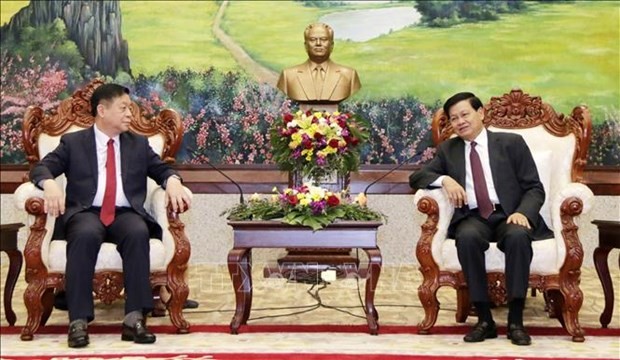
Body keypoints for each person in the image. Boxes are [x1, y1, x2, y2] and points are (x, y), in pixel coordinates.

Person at [30, 83, 192, 348]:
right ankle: (78, 321)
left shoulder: (138, 144)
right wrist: (49, 185)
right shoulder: (73, 143)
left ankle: (134, 319)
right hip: (86, 211)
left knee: (138, 231)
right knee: (83, 234)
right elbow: (42, 168)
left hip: (125, 212)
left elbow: (163, 170)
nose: (130, 113)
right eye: (124, 108)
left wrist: (173, 180)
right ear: (102, 110)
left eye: (130, 107)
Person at [409, 92, 552, 346]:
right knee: (466, 237)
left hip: (510, 214)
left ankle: (516, 321)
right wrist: (445, 179)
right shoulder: (448, 149)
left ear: (481, 113)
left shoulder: (511, 143)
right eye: (454, 119)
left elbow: (534, 187)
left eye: (464, 114)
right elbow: (417, 178)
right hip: (473, 216)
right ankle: (484, 319)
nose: (460, 122)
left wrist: (523, 212)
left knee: (519, 237)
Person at [276, 22, 361, 104]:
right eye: (313, 40)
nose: (318, 43)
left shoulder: (349, 75)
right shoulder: (288, 75)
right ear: (306, 45)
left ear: (331, 45)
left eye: (324, 39)